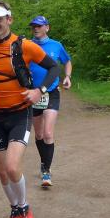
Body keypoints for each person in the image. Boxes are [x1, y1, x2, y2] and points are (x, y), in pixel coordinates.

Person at [0, 0, 60, 218]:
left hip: (20, 114)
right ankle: (15, 210)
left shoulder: (25, 46)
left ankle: (25, 208)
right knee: (2, 172)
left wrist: (39, 90)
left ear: (9, 20)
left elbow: (54, 68)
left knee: (12, 167)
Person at [28, 15, 72, 187]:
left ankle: (46, 172)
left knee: (47, 133)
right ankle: (43, 161)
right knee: (38, 134)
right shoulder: (27, 46)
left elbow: (67, 61)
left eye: (39, 26)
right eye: (33, 26)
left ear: (47, 27)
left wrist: (67, 76)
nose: (36, 29)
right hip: (34, 94)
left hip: (51, 93)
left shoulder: (56, 45)